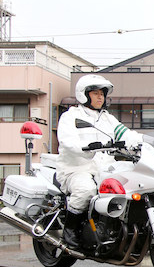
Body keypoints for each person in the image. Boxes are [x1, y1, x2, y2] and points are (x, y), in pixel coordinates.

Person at [56, 74, 143, 250]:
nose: (100, 97)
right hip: (76, 169)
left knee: (132, 185)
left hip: (104, 169)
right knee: (86, 190)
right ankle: (70, 230)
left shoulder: (107, 118)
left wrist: (141, 142)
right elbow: (67, 140)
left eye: (102, 94)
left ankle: (118, 231)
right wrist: (85, 146)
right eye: (95, 93)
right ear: (84, 95)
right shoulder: (71, 116)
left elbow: (124, 132)